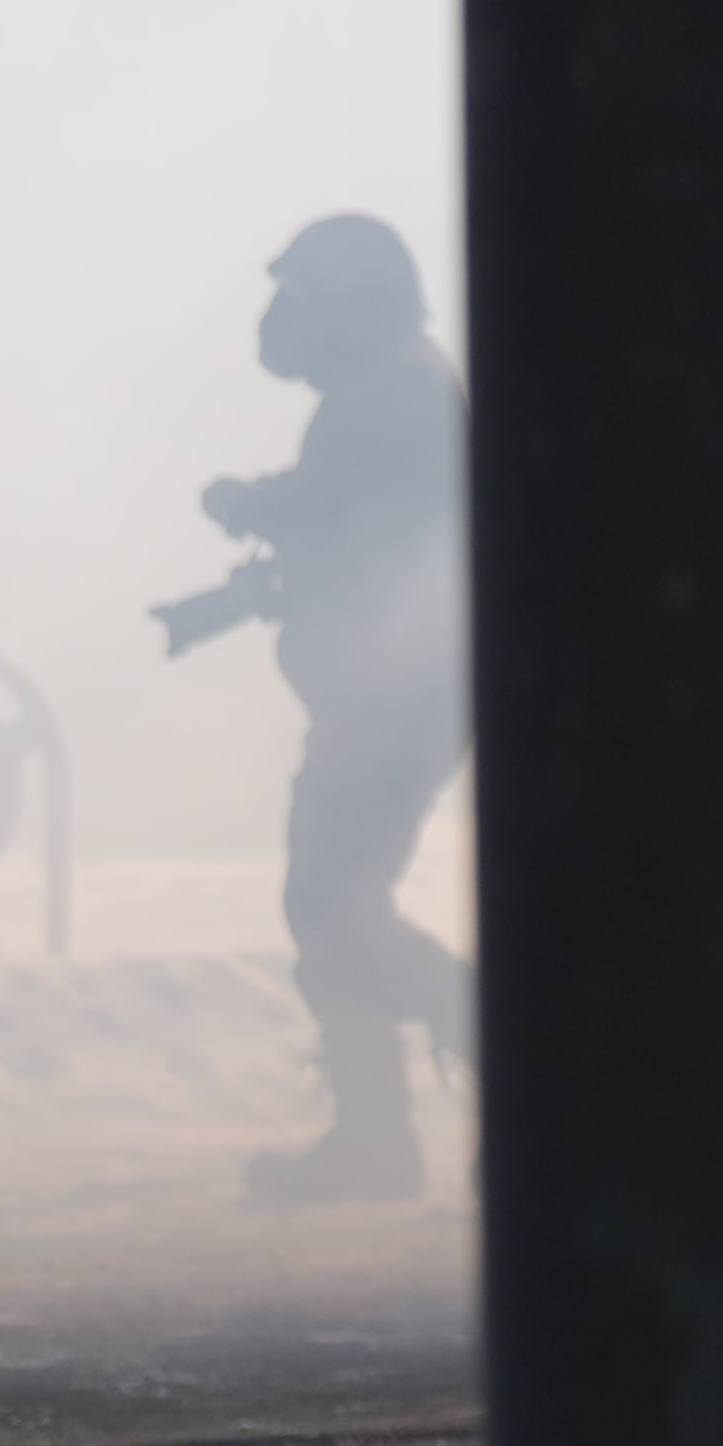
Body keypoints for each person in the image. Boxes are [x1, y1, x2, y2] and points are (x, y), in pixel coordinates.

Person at [180, 214, 470, 1204]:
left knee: (334, 905)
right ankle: (376, 1136)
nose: (283, 322)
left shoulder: (391, 392)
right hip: (386, 698)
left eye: (305, 300)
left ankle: (479, 1062)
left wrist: (247, 503)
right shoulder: (395, 383)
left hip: (395, 703)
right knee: (334, 904)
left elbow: (335, 508)